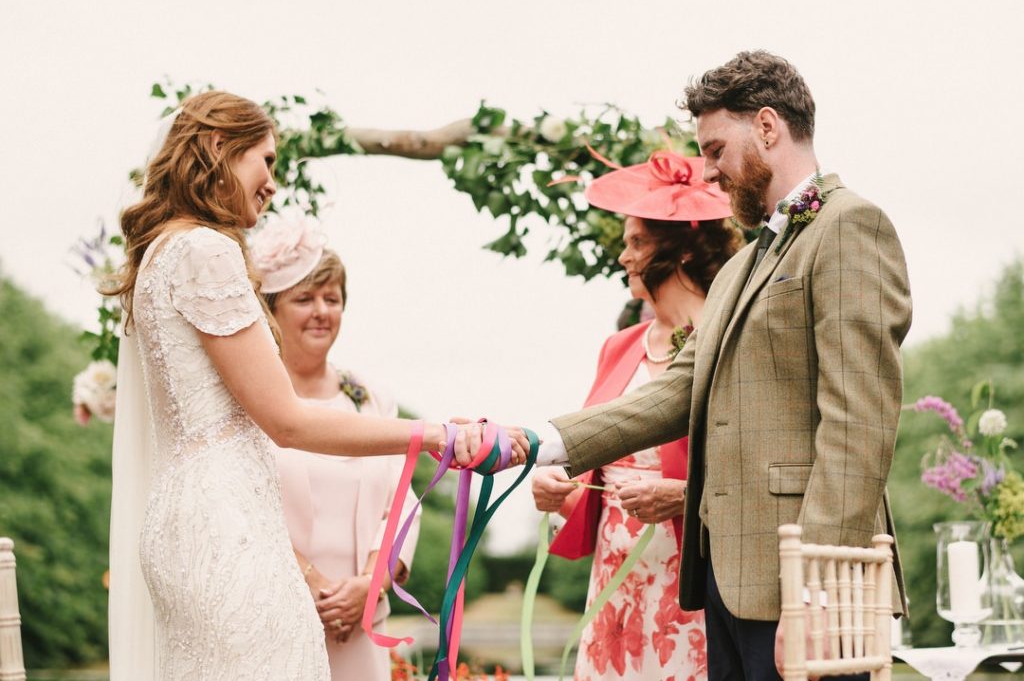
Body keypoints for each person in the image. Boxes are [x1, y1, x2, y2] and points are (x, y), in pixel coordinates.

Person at [105, 91, 528, 680]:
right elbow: (288, 420)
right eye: (267, 161)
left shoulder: (159, 254)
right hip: (229, 527)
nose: (273, 183)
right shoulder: (206, 249)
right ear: (219, 151)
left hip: (186, 517)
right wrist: (435, 435)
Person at [535, 51, 912, 681]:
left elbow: (859, 424)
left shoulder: (850, 227)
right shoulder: (742, 265)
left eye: (714, 149)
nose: (707, 172)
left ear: (768, 127)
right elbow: (679, 392)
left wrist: (812, 592)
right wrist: (539, 442)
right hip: (724, 582)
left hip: (805, 584)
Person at [531, 150, 740, 680]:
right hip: (615, 582)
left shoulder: (730, 342)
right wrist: (562, 490)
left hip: (693, 583)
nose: (624, 258)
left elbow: (751, 468)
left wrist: (682, 495)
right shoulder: (619, 347)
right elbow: (601, 467)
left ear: (683, 249)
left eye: (637, 242)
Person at [251, 213, 421, 680]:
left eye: (333, 298)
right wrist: (318, 588)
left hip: (362, 623)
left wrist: (371, 583)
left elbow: (401, 500)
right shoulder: (252, 400)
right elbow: (245, 508)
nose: (322, 310)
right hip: (278, 617)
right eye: (304, 298)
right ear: (271, 309)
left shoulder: (370, 395)